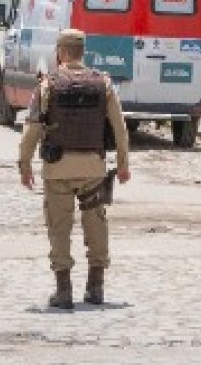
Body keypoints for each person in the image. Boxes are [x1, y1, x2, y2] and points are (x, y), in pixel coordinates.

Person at [18, 29, 131, 309]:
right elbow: (119, 127)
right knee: (96, 225)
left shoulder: (47, 86)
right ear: (82, 52)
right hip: (93, 167)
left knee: (59, 227)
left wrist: (24, 165)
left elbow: (32, 129)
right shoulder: (102, 84)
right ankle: (95, 287)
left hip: (57, 170)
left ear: (61, 53)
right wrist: (124, 164)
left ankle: (64, 290)